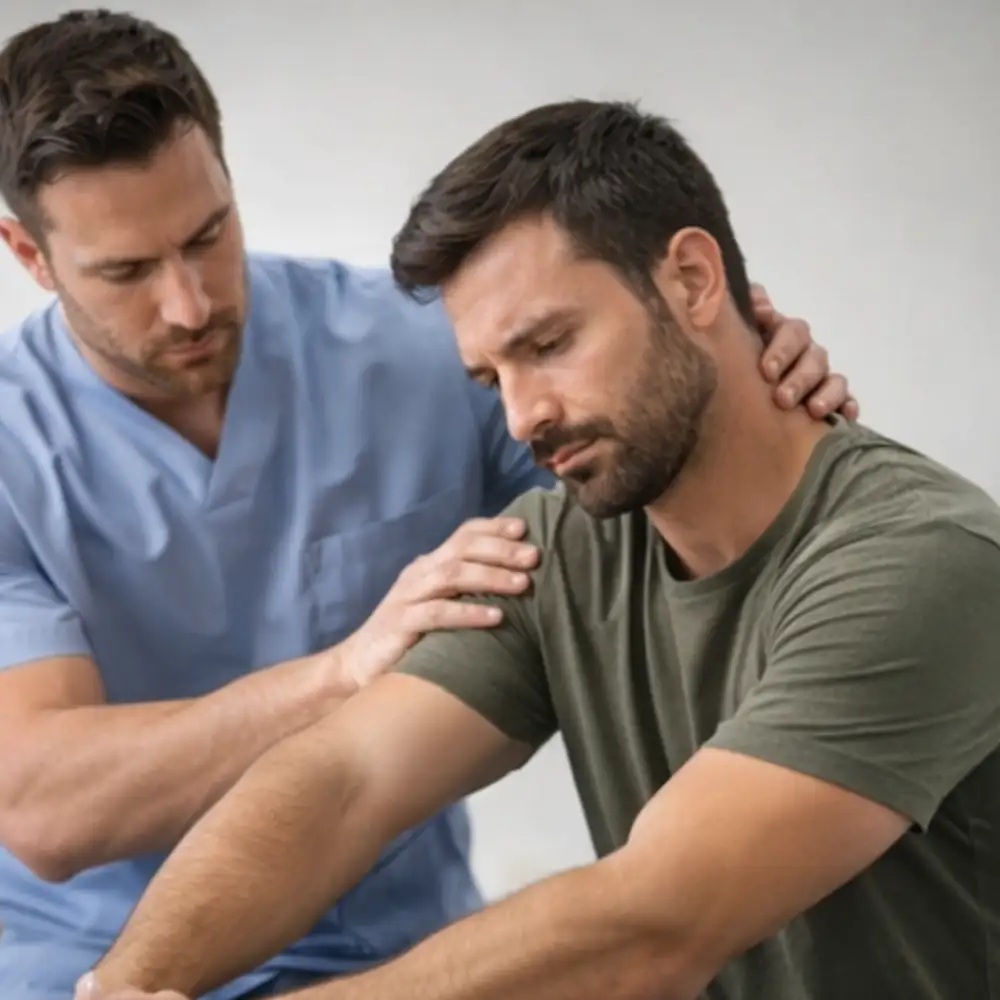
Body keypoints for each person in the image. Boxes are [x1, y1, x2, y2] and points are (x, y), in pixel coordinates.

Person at [0, 13, 852, 1000]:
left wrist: (733, 366)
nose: (189, 302)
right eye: (128, 271)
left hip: (398, 955)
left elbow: (656, 502)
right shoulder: (17, 451)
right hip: (96, 971)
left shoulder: (428, 353)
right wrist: (341, 671)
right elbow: (42, 804)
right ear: (28, 251)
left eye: (208, 234)